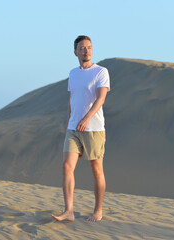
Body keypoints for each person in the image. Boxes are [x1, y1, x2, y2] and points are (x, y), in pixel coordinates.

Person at [51, 35, 110, 222]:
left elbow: (100, 99)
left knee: (97, 170)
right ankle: (69, 211)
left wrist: (86, 118)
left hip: (94, 129)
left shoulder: (101, 72)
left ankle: (98, 211)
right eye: (82, 48)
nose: (87, 50)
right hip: (73, 129)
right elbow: (73, 99)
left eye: (89, 47)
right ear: (75, 52)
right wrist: (70, 121)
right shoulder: (73, 73)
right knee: (66, 166)